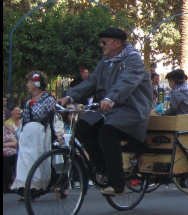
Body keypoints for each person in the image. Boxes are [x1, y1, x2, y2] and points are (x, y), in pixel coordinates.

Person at [59, 27, 152, 195]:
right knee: (82, 127)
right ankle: (105, 169)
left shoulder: (133, 60)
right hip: (110, 112)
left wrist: (111, 98)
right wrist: (70, 97)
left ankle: (118, 183)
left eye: (104, 42)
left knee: (107, 133)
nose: (101, 45)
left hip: (132, 111)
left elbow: (126, 81)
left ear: (117, 43)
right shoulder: (104, 62)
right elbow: (91, 82)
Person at [12, 71, 64, 201]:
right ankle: (26, 191)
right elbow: (24, 119)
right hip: (27, 137)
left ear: (36, 84)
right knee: (25, 163)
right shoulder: (28, 100)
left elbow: (55, 117)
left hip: (40, 136)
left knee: (37, 162)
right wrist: (19, 134)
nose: (27, 85)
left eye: (29, 82)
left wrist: (59, 133)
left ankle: (36, 189)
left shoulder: (48, 99)